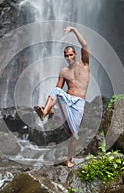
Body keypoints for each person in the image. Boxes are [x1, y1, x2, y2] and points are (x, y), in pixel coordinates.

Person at [34, 26, 90, 168]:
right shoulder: (63, 71)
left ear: (75, 55)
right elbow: (58, 88)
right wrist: (52, 106)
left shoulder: (84, 65)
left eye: (71, 54)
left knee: (73, 136)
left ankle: (68, 160)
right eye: (66, 55)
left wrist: (73, 30)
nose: (69, 57)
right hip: (67, 99)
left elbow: (85, 44)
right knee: (56, 91)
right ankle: (45, 112)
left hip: (78, 103)